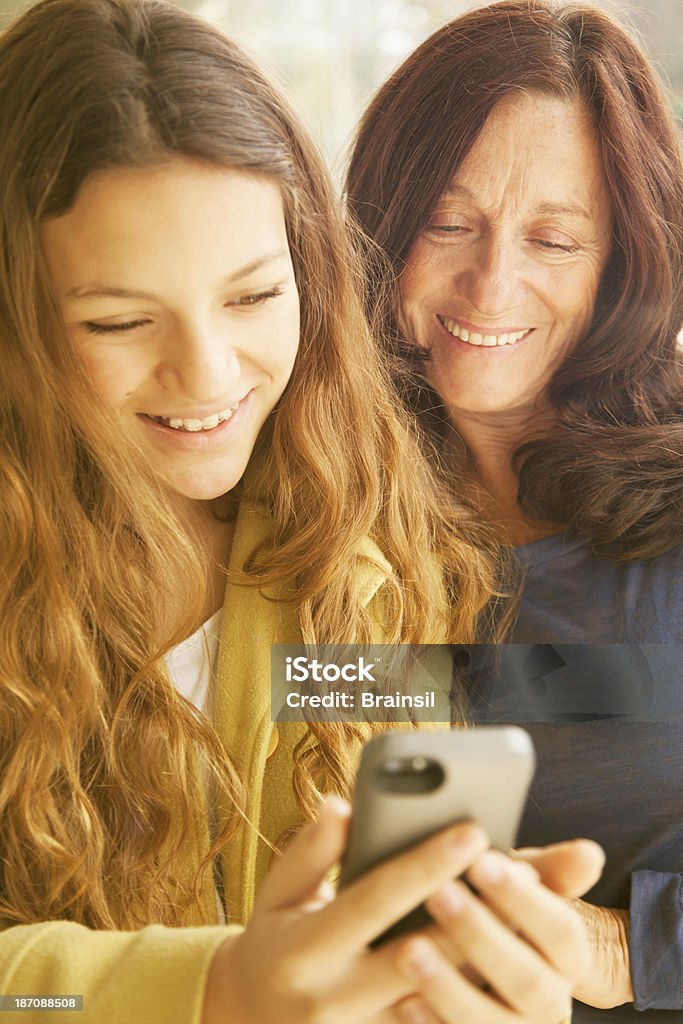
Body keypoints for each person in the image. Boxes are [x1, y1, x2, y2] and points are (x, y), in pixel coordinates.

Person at [0, 1, 601, 1022]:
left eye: (249, 298)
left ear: (310, 277)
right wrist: (205, 989)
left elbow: (397, 899)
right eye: (118, 319)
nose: (206, 375)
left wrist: (470, 979)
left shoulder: (370, 540)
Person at [345, 1, 683, 1020]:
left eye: (553, 238)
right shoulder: (320, 503)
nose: (490, 283)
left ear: (620, 259)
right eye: (447, 222)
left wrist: (627, 950)